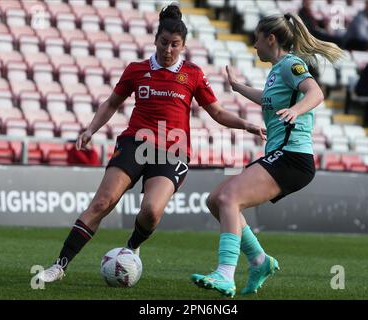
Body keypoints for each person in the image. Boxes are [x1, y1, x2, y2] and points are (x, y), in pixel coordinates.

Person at [37, 4, 265, 283]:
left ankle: (131, 249)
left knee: (151, 212)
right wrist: (90, 130)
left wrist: (246, 123)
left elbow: (216, 112)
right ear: (155, 40)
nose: (168, 50)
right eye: (163, 43)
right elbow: (111, 103)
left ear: (183, 45)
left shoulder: (192, 74)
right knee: (102, 202)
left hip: (173, 150)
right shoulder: (137, 70)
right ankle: (59, 266)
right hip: (135, 142)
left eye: (175, 45)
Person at [191, 13, 343, 297]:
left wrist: (296, 110)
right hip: (280, 155)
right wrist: (238, 88)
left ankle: (225, 274)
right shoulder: (277, 71)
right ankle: (260, 262)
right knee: (215, 201)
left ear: (270, 38)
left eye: (257, 39)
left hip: (292, 157)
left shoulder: (291, 64)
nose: (254, 45)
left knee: (228, 199)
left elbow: (316, 93)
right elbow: (267, 98)